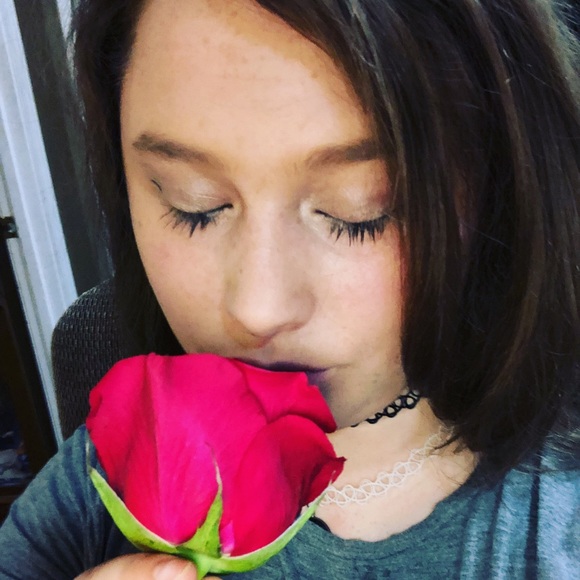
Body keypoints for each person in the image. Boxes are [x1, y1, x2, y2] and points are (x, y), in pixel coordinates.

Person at [0, 0, 579, 578]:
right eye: (193, 203)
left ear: (502, 187)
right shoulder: (99, 478)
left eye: (361, 210)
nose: (258, 310)